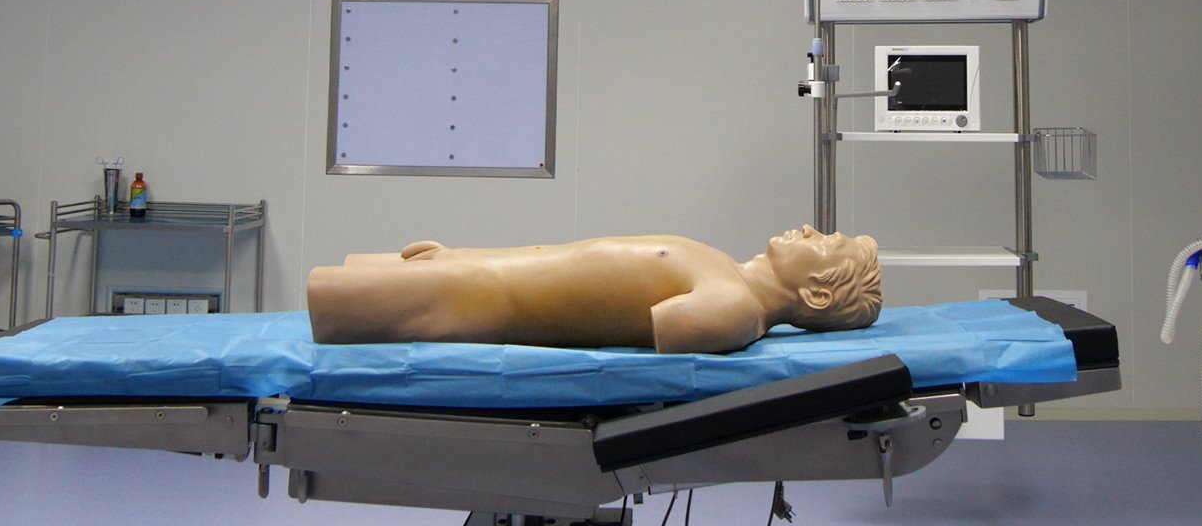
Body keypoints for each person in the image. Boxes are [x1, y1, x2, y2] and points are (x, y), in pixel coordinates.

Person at [306, 225, 881, 354]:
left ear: (818, 295)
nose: (811, 228)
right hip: (485, 273)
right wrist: (463, 256)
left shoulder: (732, 309)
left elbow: (612, 329)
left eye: (827, 243)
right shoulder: (728, 273)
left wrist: (469, 277)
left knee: (335, 299)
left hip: (485, 297)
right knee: (365, 272)